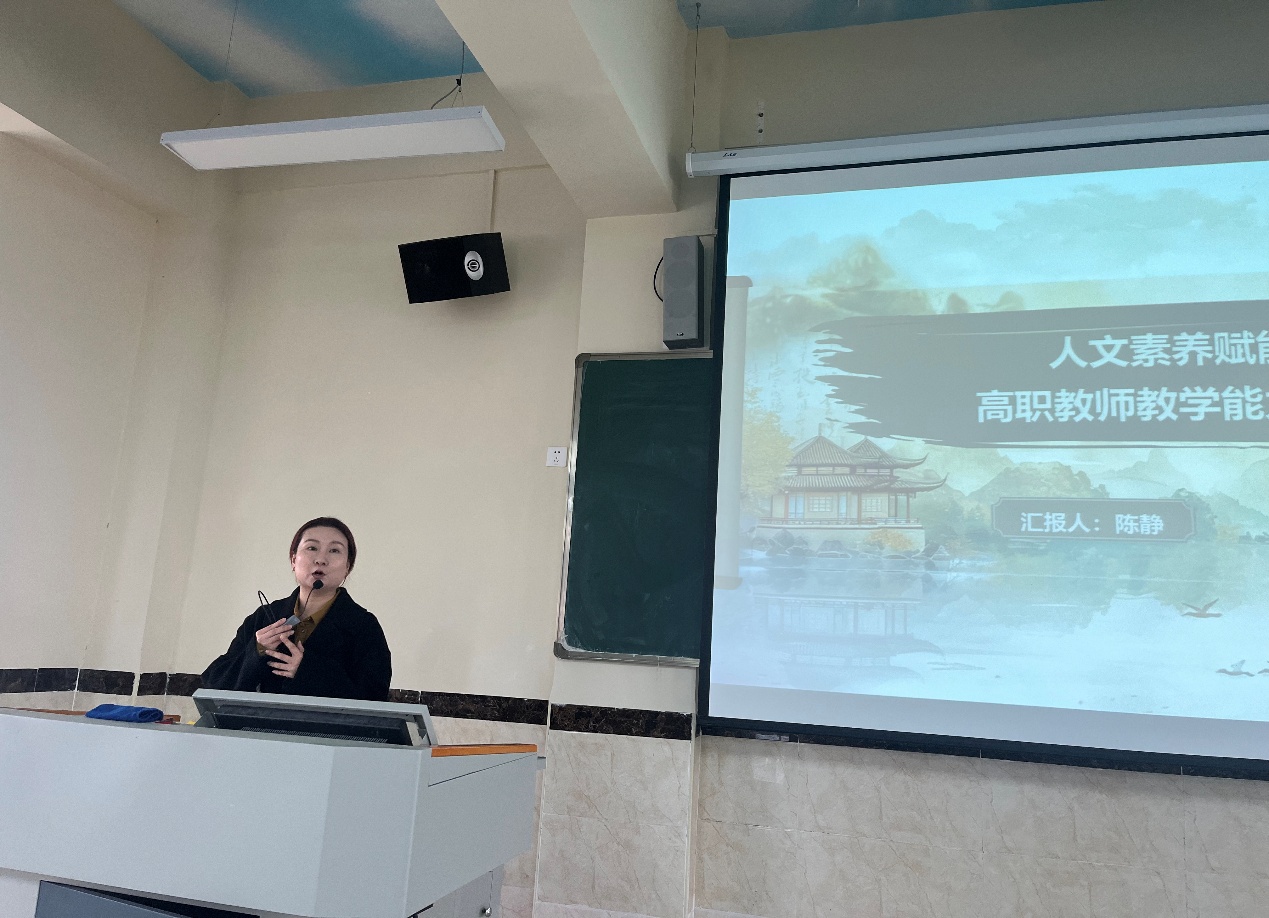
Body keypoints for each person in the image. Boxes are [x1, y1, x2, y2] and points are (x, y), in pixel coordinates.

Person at [201, 517, 391, 701]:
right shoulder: (264, 617)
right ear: (293, 560)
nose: (321, 559)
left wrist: (307, 671)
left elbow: (373, 698)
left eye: (334, 550)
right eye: (312, 548)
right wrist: (256, 651)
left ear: (347, 567)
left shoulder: (364, 626)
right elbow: (214, 684)